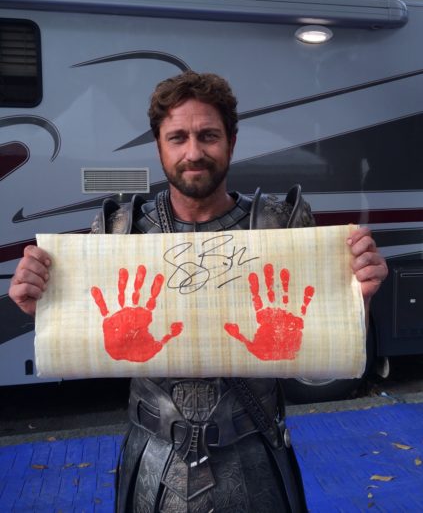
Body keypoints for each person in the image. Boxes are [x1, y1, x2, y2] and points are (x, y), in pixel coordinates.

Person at [9, 71, 388, 512]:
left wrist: (355, 303)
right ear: (159, 145)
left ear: (231, 140)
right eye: (178, 137)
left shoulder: (278, 228)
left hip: (254, 454)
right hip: (152, 459)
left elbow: (328, 371)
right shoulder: (120, 233)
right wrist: (44, 307)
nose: (193, 152)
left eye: (208, 135)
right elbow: (80, 342)